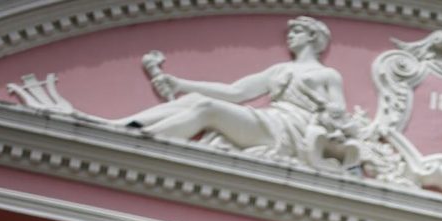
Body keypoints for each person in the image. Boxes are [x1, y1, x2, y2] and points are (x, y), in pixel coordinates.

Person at [113, 16, 361, 169]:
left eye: (296, 32)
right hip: (272, 119)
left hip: (288, 131)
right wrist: (180, 85)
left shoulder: (328, 75)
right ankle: (119, 125)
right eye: (290, 33)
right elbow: (235, 92)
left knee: (207, 109)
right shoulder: (280, 69)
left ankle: (142, 138)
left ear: (312, 37)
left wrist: (331, 111)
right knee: (197, 100)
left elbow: (338, 116)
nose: (290, 37)